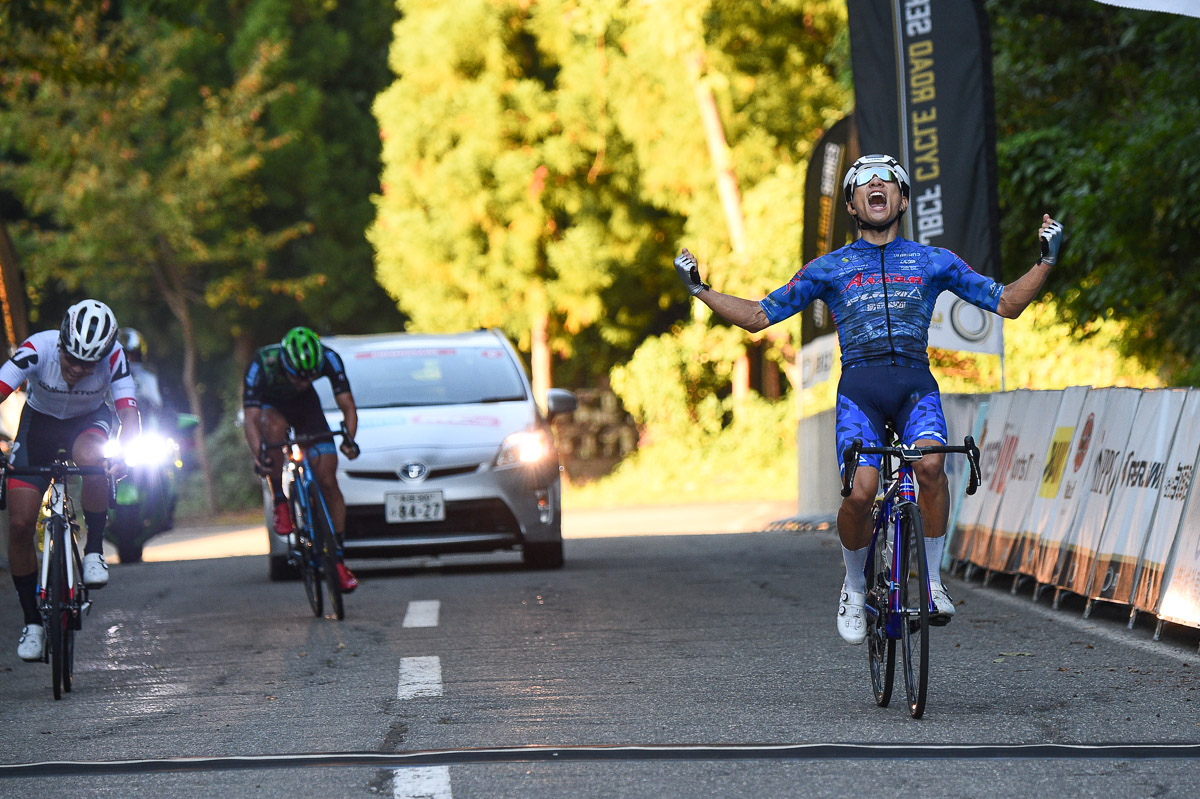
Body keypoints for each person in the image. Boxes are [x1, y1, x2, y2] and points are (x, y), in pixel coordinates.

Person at [673, 153, 1064, 644]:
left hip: (915, 388)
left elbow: (1006, 303)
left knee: (930, 468)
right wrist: (701, 290)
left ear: (901, 200)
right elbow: (758, 316)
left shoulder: (933, 260)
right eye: (865, 183)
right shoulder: (829, 267)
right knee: (861, 490)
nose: (877, 187)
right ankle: (855, 587)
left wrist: (1046, 261)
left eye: (888, 182)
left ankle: (935, 583)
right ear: (854, 205)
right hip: (861, 390)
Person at [0, 299, 139, 661]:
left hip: (88, 424)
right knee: (18, 524)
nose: (77, 369)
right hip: (39, 427)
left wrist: (124, 453)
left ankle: (94, 550)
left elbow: (128, 413)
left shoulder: (115, 358)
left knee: (96, 460)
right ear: (60, 344)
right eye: (71, 359)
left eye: (87, 364)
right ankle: (32, 623)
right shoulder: (36, 349)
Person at [242, 326, 361, 593]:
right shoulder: (262, 363)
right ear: (285, 363)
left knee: (328, 480)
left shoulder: (328, 358)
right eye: (297, 377)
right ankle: (281, 501)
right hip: (272, 409)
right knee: (271, 431)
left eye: (310, 378)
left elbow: (348, 405)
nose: (302, 383)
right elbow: (250, 419)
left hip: (308, 410)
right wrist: (260, 457)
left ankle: (338, 559)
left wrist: (349, 440)